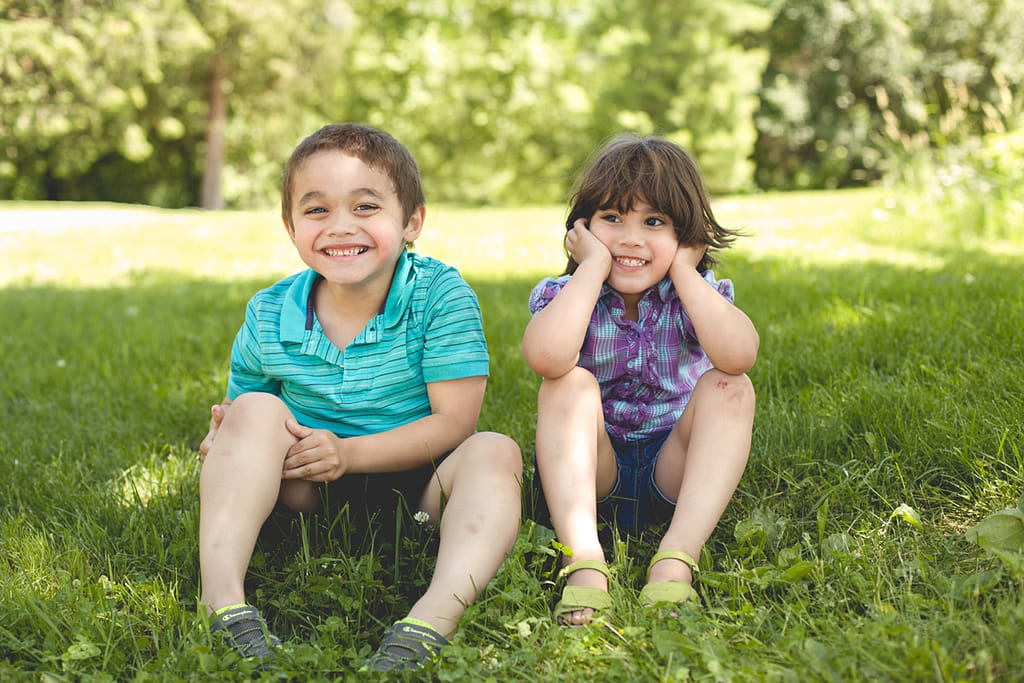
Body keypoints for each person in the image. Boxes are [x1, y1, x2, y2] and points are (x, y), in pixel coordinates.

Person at [198, 123, 523, 670]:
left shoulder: (439, 296)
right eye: (317, 210)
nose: (340, 226)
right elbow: (239, 418)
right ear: (291, 226)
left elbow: (453, 423)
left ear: (412, 221)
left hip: (421, 497)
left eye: (366, 206)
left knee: (496, 450)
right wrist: (223, 438)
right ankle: (223, 600)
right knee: (253, 412)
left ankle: (431, 620)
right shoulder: (269, 311)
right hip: (305, 493)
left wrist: (348, 453)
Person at [521, 134, 758, 626]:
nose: (630, 237)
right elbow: (545, 357)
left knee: (730, 386)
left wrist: (688, 274)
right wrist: (591, 268)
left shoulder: (694, 296)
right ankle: (583, 560)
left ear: (687, 234)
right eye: (612, 218)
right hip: (593, 473)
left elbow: (739, 355)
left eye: (654, 222)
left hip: (673, 469)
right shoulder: (569, 294)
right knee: (566, 382)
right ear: (583, 227)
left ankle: (675, 557)